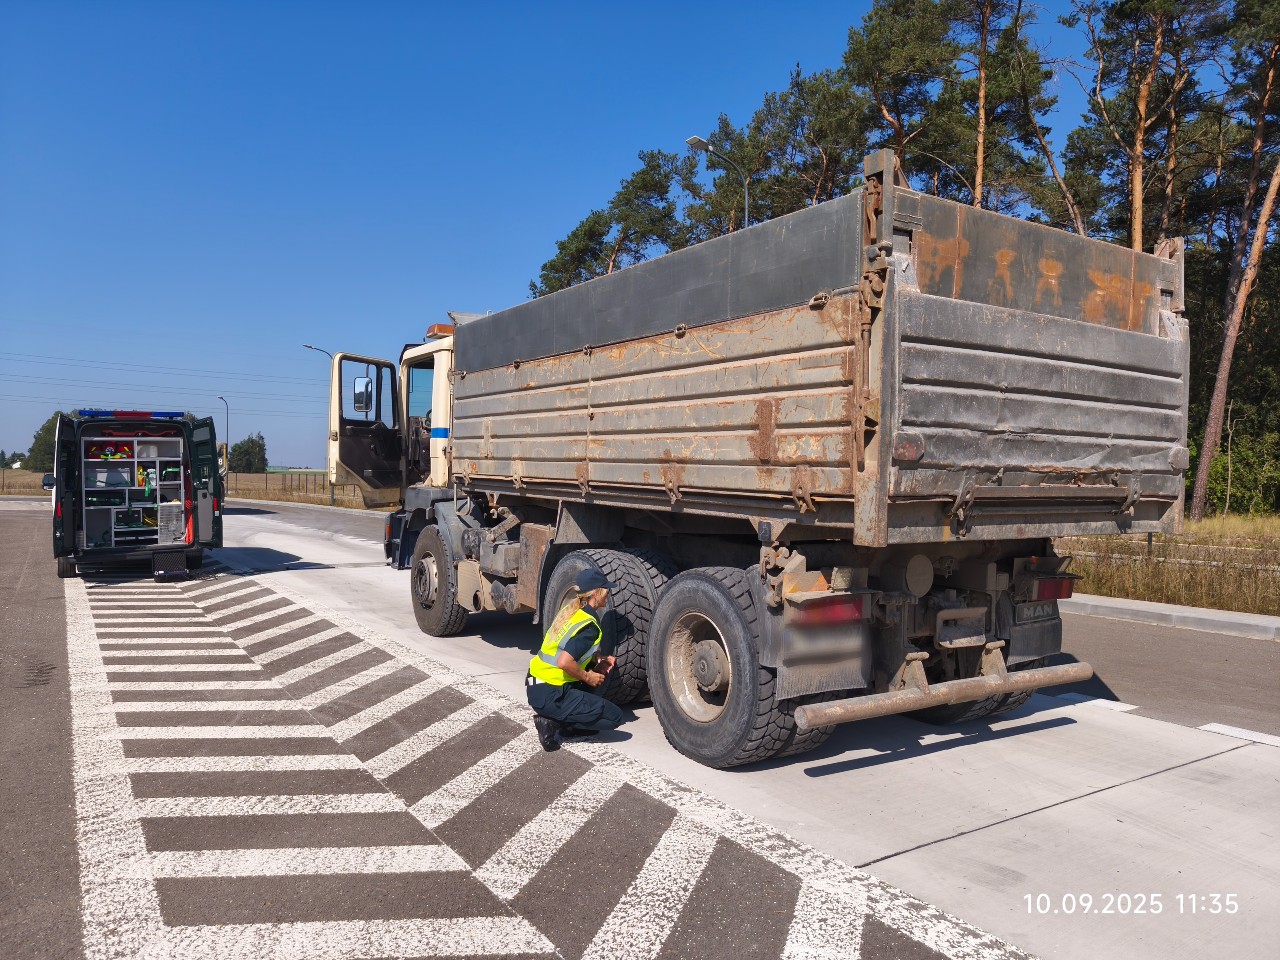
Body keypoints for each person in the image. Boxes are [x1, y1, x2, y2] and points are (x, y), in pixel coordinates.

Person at [526, 568, 630, 751]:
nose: (608, 594)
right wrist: (588, 677)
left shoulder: (571, 611)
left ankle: (568, 725)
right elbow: (564, 662)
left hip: (535, 683)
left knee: (592, 697)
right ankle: (550, 723)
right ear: (596, 593)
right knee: (614, 717)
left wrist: (596, 659)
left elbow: (564, 649)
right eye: (606, 590)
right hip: (551, 694)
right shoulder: (589, 626)